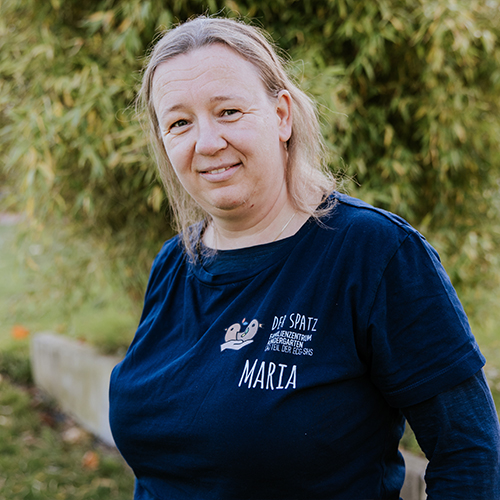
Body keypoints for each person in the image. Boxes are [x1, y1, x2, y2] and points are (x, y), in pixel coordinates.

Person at [109, 16, 500, 500]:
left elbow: (469, 452)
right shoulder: (173, 264)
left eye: (228, 111)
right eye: (179, 123)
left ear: (282, 116)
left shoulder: (374, 253)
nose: (207, 143)